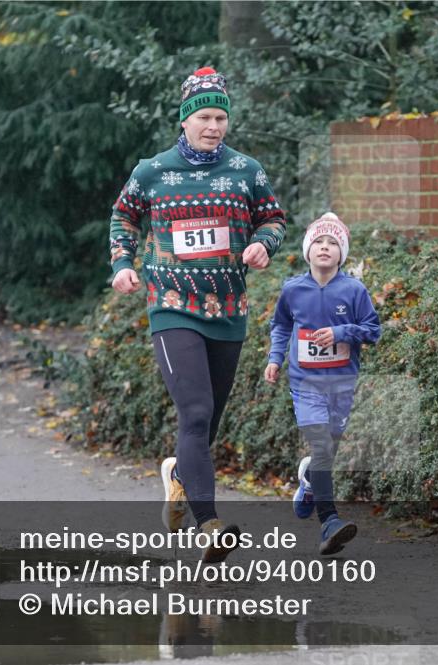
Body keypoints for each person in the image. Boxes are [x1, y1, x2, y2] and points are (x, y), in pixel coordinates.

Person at [109, 67, 287, 563]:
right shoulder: (152, 171)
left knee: (207, 425)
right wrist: (122, 263)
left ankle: (179, 478)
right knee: (196, 413)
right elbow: (124, 214)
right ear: (185, 120)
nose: (214, 126)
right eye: (205, 117)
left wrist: (261, 244)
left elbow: (272, 217)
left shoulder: (246, 171)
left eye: (220, 118)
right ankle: (209, 524)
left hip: (228, 309)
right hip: (171, 306)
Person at [263, 213, 380, 555]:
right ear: (308, 251)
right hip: (305, 384)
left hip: (342, 385)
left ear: (341, 253)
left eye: (332, 243)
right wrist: (275, 358)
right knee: (321, 448)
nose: (325, 248)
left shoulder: (354, 290)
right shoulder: (292, 289)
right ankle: (329, 521)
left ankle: (310, 480)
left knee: (328, 448)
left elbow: (373, 331)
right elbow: (281, 326)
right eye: (318, 242)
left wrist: (342, 333)